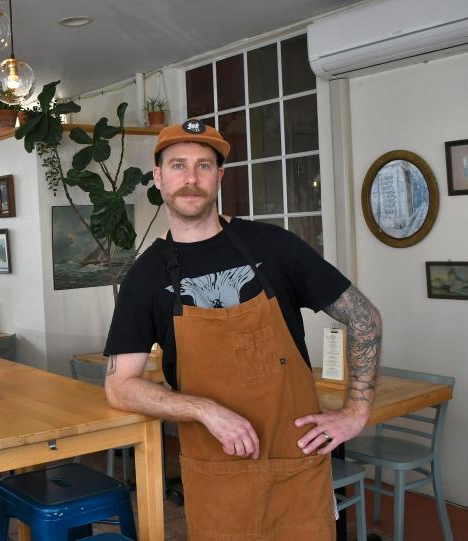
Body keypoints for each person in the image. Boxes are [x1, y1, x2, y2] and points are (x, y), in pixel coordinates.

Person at [103, 118, 382, 540]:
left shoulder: (274, 247)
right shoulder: (145, 276)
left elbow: (365, 318)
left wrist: (356, 412)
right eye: (178, 165)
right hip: (216, 473)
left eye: (204, 165)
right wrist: (205, 410)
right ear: (159, 177)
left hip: (297, 463)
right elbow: (119, 386)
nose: (191, 178)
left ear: (220, 176)